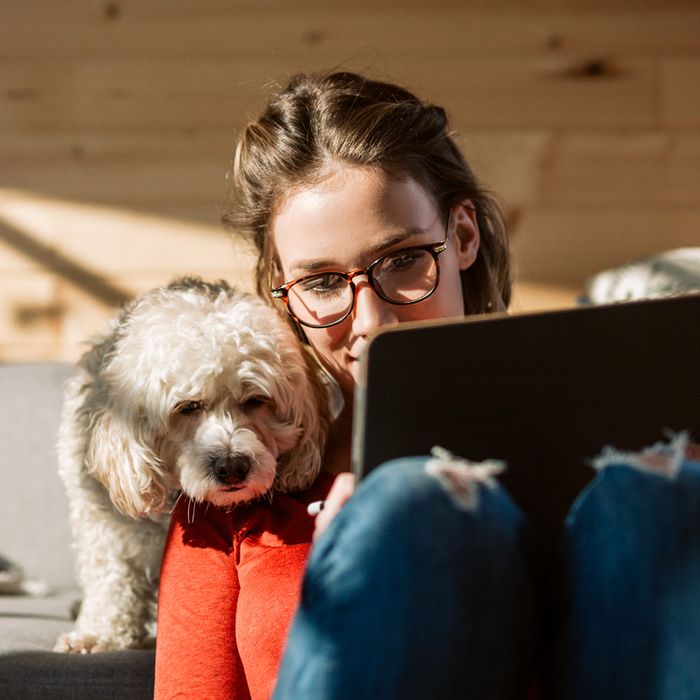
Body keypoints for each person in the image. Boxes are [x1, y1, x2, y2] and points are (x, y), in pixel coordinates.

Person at [154, 71, 700, 700]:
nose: (373, 323)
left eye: (405, 260)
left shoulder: (626, 483)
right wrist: (346, 588)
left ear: (462, 235)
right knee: (417, 506)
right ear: (282, 289)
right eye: (323, 283)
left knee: (657, 495)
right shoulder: (235, 495)